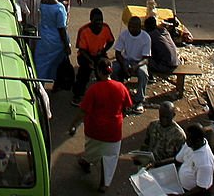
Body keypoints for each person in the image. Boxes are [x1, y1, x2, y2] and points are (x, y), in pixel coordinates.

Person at [70, 58, 133, 193]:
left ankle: (87, 161)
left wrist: (73, 125)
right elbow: (127, 107)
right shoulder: (121, 87)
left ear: (98, 71)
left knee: (93, 149)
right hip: (113, 131)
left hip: (94, 130)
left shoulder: (94, 90)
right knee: (109, 157)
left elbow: (83, 111)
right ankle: (103, 183)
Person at [73, 8, 116, 106]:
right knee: (84, 72)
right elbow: (82, 50)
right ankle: (78, 95)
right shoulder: (84, 31)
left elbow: (111, 41)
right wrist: (91, 61)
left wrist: (103, 51)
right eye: (96, 20)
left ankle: (104, 95)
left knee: (105, 69)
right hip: (85, 56)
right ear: (91, 20)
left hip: (99, 54)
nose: (99, 23)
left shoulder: (106, 28)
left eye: (101, 20)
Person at [35, 0, 71, 84]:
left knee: (41, 64)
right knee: (57, 64)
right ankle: (57, 83)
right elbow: (62, 29)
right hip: (56, 42)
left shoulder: (43, 1)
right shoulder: (59, 9)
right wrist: (66, 45)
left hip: (43, 38)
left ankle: (39, 84)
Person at [113, 16, 151, 114]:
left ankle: (139, 100)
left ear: (139, 27)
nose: (131, 29)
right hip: (125, 60)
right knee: (114, 69)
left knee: (143, 74)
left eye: (134, 27)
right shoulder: (124, 35)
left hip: (139, 62)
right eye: (130, 26)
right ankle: (119, 95)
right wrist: (124, 64)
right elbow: (117, 52)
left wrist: (136, 66)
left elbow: (146, 59)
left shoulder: (146, 37)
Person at [133, 101, 186, 167]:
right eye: (162, 116)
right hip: (149, 164)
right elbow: (146, 143)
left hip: (166, 168)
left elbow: (180, 158)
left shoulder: (179, 134)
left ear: (173, 115)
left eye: (167, 117)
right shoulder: (153, 125)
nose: (164, 119)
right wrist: (140, 157)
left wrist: (160, 164)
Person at [176, 124, 214, 195]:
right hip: (180, 186)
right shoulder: (191, 144)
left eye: (188, 139)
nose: (186, 140)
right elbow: (177, 160)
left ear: (197, 141)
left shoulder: (205, 163)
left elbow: (201, 188)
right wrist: (157, 163)